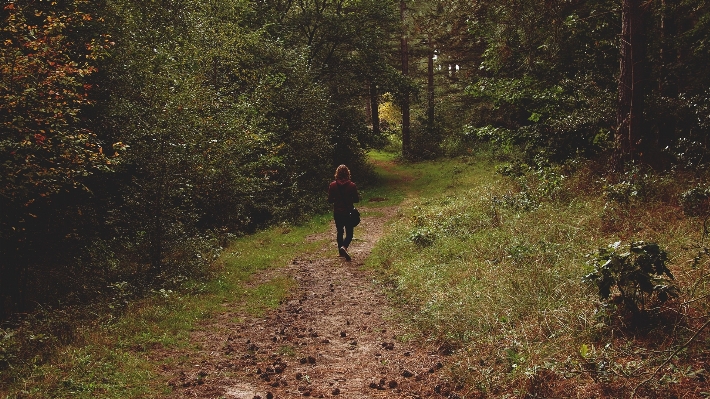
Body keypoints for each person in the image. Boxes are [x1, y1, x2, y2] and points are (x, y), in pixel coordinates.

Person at [328, 164, 360, 261]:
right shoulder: (352, 186)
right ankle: (344, 247)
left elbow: (329, 200)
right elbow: (356, 200)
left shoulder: (332, 185)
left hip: (337, 212)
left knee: (340, 231)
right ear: (347, 173)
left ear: (337, 173)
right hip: (348, 212)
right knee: (349, 233)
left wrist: (336, 199)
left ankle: (340, 250)